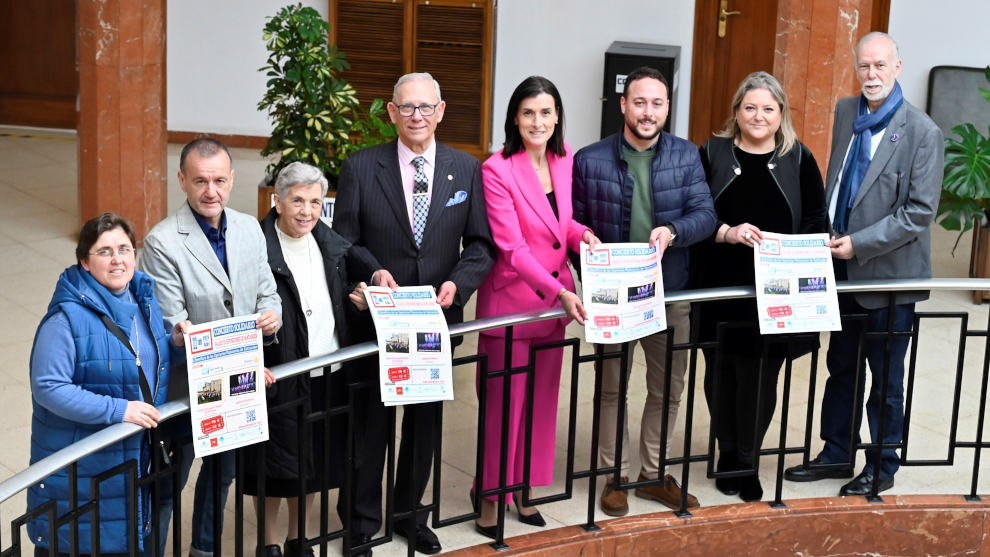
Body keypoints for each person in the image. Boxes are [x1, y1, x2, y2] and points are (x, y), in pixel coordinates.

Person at [333, 72, 495, 556]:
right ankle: (360, 523)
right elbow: (343, 243)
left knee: (423, 424)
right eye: (407, 108)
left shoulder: (466, 169)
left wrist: (458, 283)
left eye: (425, 107)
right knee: (370, 426)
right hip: (377, 322)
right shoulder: (361, 167)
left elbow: (482, 245)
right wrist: (374, 271)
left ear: (441, 111)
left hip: (434, 322)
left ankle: (409, 515)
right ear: (391, 113)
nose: (417, 116)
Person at [784, 32, 943, 496]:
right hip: (841, 273)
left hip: (890, 278)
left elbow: (919, 212)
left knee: (885, 380)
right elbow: (840, 181)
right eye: (864, 66)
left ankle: (882, 465)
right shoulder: (845, 111)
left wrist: (859, 244)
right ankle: (836, 452)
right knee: (842, 367)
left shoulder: (921, 131)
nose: (871, 75)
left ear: (897, 67)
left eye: (880, 66)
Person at [573, 66, 716, 516]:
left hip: (668, 293)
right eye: (639, 102)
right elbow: (573, 229)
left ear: (667, 107)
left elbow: (705, 216)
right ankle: (612, 476)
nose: (647, 112)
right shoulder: (589, 159)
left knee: (667, 390)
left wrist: (673, 230)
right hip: (613, 298)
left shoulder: (686, 155)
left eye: (657, 103)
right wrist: (592, 273)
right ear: (623, 105)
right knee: (611, 389)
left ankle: (652, 475)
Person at [139, 137, 283, 557]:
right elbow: (171, 321)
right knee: (169, 486)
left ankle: (204, 551)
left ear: (233, 179)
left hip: (236, 387)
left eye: (220, 180)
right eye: (200, 180)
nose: (210, 191)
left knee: (221, 477)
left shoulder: (248, 227)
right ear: (182, 180)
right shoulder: (163, 241)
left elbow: (267, 294)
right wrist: (185, 335)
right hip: (187, 388)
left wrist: (272, 317)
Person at [472, 76, 599, 538]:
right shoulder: (497, 169)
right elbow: (513, 249)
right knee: (504, 405)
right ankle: (488, 495)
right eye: (528, 113)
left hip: (554, 303)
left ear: (558, 116)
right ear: (514, 118)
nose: (537, 122)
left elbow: (556, 225)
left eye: (545, 113)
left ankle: (523, 488)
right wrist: (561, 291)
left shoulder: (564, 160)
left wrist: (580, 233)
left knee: (541, 403)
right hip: (514, 302)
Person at [693, 71, 826, 502]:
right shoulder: (712, 153)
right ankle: (726, 451)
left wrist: (787, 251)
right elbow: (694, 212)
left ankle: (746, 461)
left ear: (781, 114)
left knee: (760, 376)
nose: (758, 115)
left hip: (775, 293)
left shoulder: (799, 157)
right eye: (750, 107)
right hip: (717, 286)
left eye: (768, 108)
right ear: (736, 111)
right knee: (719, 374)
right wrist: (727, 232)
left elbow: (814, 222)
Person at [27, 212, 187, 557]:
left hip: (129, 461)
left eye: (125, 249)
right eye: (105, 251)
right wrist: (120, 410)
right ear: (84, 261)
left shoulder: (143, 300)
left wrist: (171, 344)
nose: (118, 259)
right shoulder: (64, 319)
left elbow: (143, 362)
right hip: (84, 473)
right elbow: (49, 386)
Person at [247, 161, 369, 557]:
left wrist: (357, 297)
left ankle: (300, 539)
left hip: (325, 369)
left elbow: (340, 292)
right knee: (273, 463)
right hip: (279, 372)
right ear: (277, 201)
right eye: (297, 200)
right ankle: (269, 543)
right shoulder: (257, 247)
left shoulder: (330, 244)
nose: (306, 211)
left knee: (312, 461)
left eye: (315, 202)